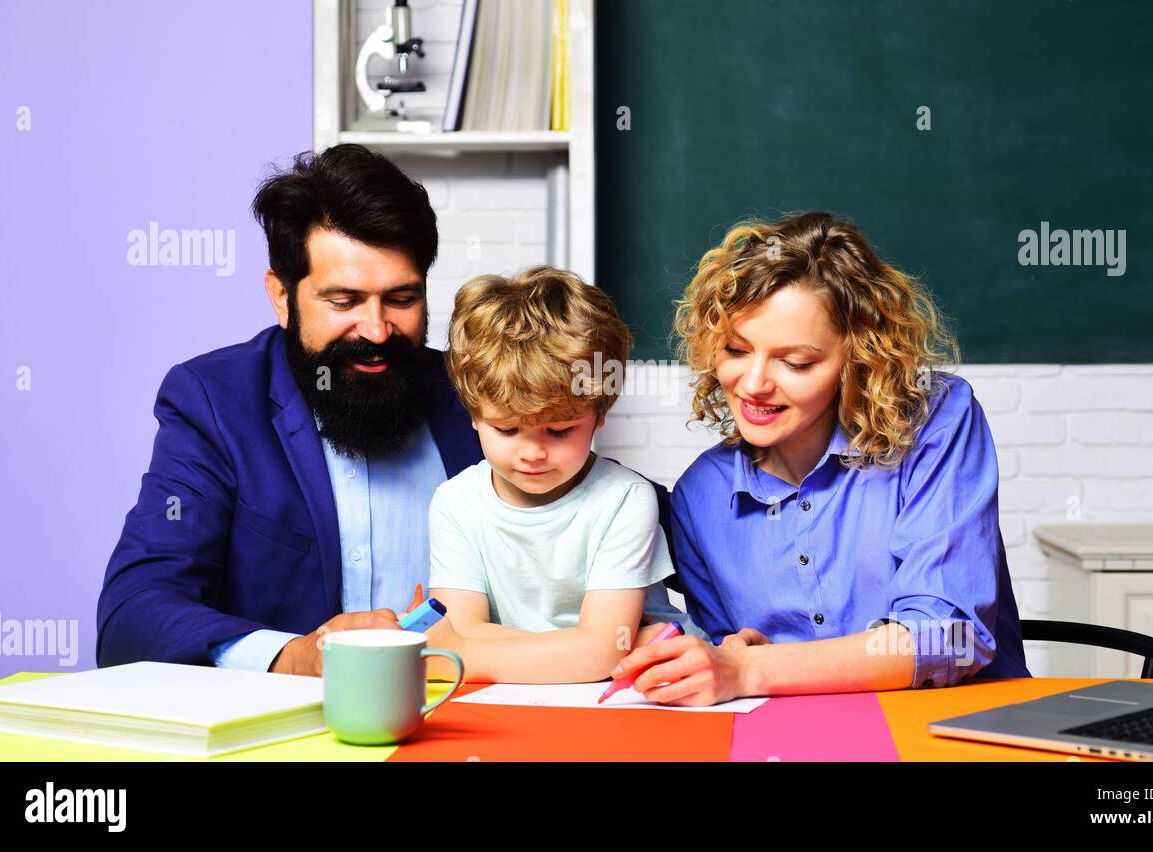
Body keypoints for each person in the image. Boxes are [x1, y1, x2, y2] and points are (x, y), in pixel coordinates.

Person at [613, 212, 1030, 706]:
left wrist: (752, 669)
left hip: (952, 733)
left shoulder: (936, 424)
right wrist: (724, 658)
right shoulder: (700, 496)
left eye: (796, 362)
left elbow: (949, 638)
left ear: (859, 359)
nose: (753, 384)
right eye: (735, 349)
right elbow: (732, 657)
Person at [96, 144, 481, 675]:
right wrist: (296, 657)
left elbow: (603, 501)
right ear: (281, 296)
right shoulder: (213, 404)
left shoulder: (475, 390)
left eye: (401, 299)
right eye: (343, 301)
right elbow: (132, 618)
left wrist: (641, 627)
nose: (375, 330)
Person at [422, 267, 703, 683]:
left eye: (559, 430)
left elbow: (455, 649)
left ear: (600, 413)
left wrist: (466, 653)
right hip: (523, 701)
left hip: (637, 696)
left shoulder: (625, 498)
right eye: (507, 429)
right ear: (474, 413)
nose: (533, 452)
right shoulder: (454, 502)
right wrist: (588, 649)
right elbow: (460, 631)